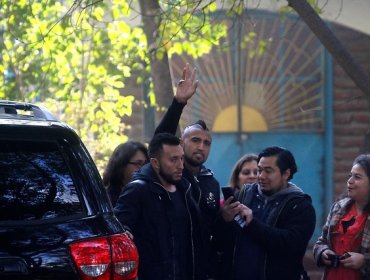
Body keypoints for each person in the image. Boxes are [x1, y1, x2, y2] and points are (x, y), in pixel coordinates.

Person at [154, 63, 220, 278]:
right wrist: (178, 103)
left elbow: (209, 230)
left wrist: (225, 219)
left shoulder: (212, 183)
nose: (201, 146)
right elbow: (159, 140)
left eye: (207, 143)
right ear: (181, 143)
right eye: (195, 140)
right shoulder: (170, 177)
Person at [114, 133, 206, 280]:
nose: (180, 165)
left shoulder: (186, 190)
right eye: (173, 159)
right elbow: (118, 226)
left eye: (181, 158)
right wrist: (126, 232)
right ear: (155, 163)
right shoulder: (138, 190)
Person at [219, 146, 316, 280]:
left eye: (268, 171)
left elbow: (291, 246)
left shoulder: (299, 206)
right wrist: (225, 219)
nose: (261, 176)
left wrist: (252, 224)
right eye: (260, 170)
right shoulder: (244, 196)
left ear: (286, 174)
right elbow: (223, 241)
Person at [313, 154, 370, 280]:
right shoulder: (339, 208)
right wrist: (323, 252)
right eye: (350, 176)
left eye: (357, 177)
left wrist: (364, 260)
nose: (350, 181)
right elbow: (321, 242)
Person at [102, 141, 148, 206]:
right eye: (138, 163)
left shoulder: (150, 194)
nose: (143, 168)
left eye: (146, 164)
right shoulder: (104, 198)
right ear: (122, 165)